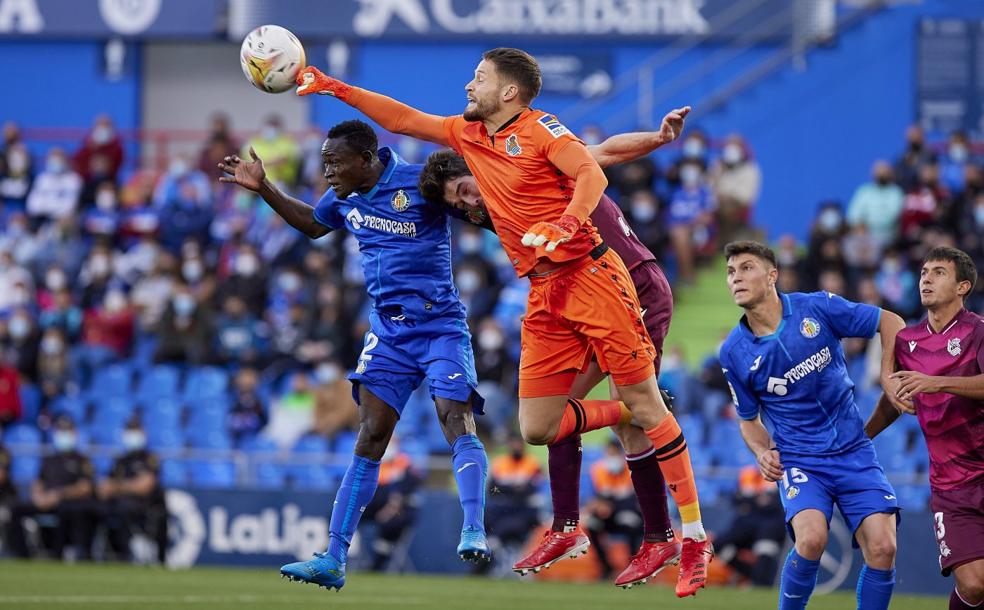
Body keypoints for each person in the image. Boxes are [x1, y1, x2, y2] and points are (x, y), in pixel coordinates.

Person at [296, 47, 711, 597]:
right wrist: (332, 86)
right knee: (537, 427)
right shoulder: (470, 140)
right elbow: (400, 118)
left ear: (509, 91)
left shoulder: (541, 131)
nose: (468, 84)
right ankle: (601, 476)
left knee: (642, 408)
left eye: (479, 77)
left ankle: (688, 537)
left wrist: (568, 220)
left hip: (600, 277)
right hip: (545, 293)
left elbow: (593, 168)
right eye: (458, 201)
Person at [218, 119, 490, 591]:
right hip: (389, 333)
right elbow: (312, 225)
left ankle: (473, 529)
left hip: (439, 327)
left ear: (366, 159)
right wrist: (264, 188)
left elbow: (474, 207)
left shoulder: (418, 183)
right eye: (324, 163)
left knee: (453, 418)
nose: (327, 172)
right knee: (370, 435)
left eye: (334, 162)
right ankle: (334, 558)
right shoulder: (344, 195)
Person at [417, 137, 685, 589]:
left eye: (464, 190)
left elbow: (603, 153)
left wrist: (658, 138)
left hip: (632, 285)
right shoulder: (498, 209)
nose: (468, 205)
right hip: (580, 297)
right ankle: (565, 527)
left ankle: (660, 537)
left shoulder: (533, 168)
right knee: (555, 411)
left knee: (631, 423)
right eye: (457, 203)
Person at [718, 240, 906, 610]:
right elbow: (748, 419)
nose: (736, 277)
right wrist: (761, 451)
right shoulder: (733, 352)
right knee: (811, 540)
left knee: (883, 548)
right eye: (730, 271)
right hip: (802, 460)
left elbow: (890, 321)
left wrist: (888, 375)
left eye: (746, 268)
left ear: (772, 275)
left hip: (854, 450)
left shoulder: (816, 306)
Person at [865, 247, 984, 610]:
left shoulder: (978, 331)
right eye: (923, 273)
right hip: (950, 487)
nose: (926, 279)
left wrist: (936, 383)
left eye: (938, 273)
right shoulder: (906, 341)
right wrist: (861, 437)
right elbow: (895, 398)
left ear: (963, 286)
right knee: (975, 584)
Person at [6, 416, 97, 560]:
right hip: (46, 500)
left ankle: (59, 553)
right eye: (60, 431)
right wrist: (38, 495)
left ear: (75, 434)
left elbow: (85, 488)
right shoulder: (49, 459)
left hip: (67, 501)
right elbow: (38, 481)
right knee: (16, 509)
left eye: (66, 431)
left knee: (69, 510)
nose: (63, 435)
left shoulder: (81, 460)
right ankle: (20, 554)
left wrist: (58, 495)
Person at [98, 418, 167, 564]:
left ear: (143, 433)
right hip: (120, 503)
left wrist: (118, 487)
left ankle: (128, 554)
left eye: (135, 430)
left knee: (126, 508)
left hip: (145, 506)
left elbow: (145, 487)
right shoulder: (120, 460)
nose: (132, 435)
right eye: (129, 430)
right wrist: (129, 486)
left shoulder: (149, 458)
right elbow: (104, 488)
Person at [713, 465, 785, 587]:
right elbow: (736, 498)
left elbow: (776, 504)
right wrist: (758, 501)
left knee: (766, 549)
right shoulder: (747, 474)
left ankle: (760, 583)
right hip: (747, 522)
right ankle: (749, 575)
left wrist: (751, 501)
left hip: (770, 523)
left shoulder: (781, 475)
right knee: (718, 545)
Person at [584, 440, 644, 582]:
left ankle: (634, 568)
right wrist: (597, 506)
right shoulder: (597, 470)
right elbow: (592, 498)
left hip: (626, 511)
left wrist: (612, 506)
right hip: (605, 516)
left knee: (633, 524)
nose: (611, 456)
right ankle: (606, 568)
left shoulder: (631, 469)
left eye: (614, 453)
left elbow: (636, 498)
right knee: (591, 525)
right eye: (609, 453)